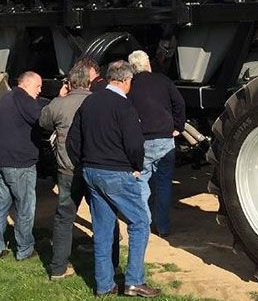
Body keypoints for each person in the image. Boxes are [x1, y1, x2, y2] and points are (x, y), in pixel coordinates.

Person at [67, 61, 160, 298]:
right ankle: (134, 281)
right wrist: (137, 166)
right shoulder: (123, 105)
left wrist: (82, 163)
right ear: (126, 81)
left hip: (91, 171)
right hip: (116, 172)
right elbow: (134, 143)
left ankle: (104, 284)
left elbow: (72, 140)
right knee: (139, 223)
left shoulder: (89, 101)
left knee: (103, 229)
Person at [40, 59, 118, 280]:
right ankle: (110, 268)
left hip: (67, 170)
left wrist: (60, 96)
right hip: (95, 168)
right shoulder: (98, 101)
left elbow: (44, 121)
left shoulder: (59, 104)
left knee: (64, 218)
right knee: (104, 217)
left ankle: (58, 268)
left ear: (70, 83)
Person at [0, 71, 44, 262]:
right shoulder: (24, 99)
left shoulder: (5, 99)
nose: (39, 91)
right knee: (25, 206)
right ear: (26, 84)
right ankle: (25, 248)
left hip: (0, 161)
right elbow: (43, 119)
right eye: (38, 87)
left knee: (0, 204)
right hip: (19, 164)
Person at [127, 50, 185, 237]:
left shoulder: (130, 86)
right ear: (148, 64)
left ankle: (143, 224)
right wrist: (178, 126)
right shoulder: (163, 80)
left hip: (141, 140)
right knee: (164, 184)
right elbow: (179, 103)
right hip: (164, 139)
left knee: (141, 183)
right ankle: (163, 227)